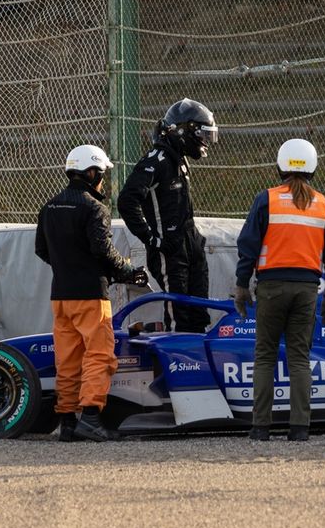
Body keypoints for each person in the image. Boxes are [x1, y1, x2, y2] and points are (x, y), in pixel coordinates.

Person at [36, 144, 149, 442]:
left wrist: (68, 266)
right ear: (90, 173)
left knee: (67, 359)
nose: (103, 181)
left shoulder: (49, 207)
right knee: (99, 356)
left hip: (60, 296)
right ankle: (90, 417)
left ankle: (68, 423)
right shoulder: (94, 207)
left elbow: (41, 250)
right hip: (90, 295)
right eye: (102, 175)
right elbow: (102, 249)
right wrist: (127, 270)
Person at [234, 139, 325, 442]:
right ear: (313, 168)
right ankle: (300, 429)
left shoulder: (266, 200)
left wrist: (242, 286)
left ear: (280, 166)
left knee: (265, 356)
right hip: (308, 290)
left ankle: (260, 428)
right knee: (299, 358)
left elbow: (248, 246)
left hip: (270, 287)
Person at [117, 98, 218, 333]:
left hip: (190, 243)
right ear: (183, 130)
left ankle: (197, 364)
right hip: (170, 250)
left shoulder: (178, 160)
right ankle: (178, 364)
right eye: (201, 134)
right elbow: (126, 201)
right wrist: (153, 239)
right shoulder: (155, 161)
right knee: (179, 316)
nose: (204, 141)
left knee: (199, 315)